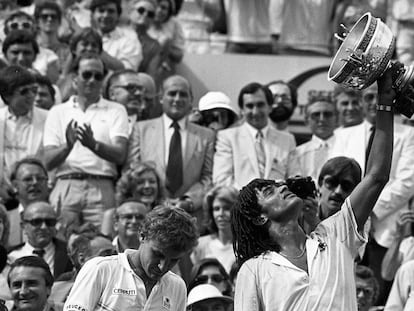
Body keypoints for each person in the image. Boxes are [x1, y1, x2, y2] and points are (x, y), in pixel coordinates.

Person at [232, 66, 395, 310]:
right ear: (259, 217)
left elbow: (376, 176)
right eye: (269, 191)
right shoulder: (254, 269)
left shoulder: (336, 232)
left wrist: (385, 102)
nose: (282, 188)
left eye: (278, 184)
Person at [331, 82, 414, 304]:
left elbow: (407, 181)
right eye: (368, 97)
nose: (372, 102)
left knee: (378, 293)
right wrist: (354, 212)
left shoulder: (408, 134)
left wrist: (369, 210)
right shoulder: (342, 135)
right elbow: (335, 177)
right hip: (347, 224)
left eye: (376, 97)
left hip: (385, 228)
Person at [43, 54, 129, 231]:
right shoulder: (57, 111)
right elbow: (48, 161)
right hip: (66, 184)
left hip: (101, 185)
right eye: (87, 74)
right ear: (75, 78)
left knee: (103, 245)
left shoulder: (116, 110)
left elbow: (120, 154)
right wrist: (68, 146)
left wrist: (93, 145)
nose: (92, 80)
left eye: (98, 76)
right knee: (61, 243)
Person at [64, 205, 199, 311]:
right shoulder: (100, 269)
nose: (162, 266)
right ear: (142, 236)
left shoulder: (177, 286)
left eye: (173, 260)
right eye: (158, 255)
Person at [127, 75, 215, 214]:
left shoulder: (206, 136)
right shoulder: (141, 130)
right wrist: (157, 199)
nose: (177, 99)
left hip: (190, 214)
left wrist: (188, 202)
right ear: (161, 97)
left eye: (183, 94)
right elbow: (132, 170)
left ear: (191, 100)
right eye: (172, 93)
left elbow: (208, 177)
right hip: (151, 211)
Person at [213, 82, 300, 189]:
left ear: (270, 107)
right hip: (240, 203)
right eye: (250, 106)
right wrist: (250, 199)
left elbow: (295, 179)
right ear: (242, 110)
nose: (255, 111)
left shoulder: (287, 140)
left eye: (260, 105)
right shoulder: (227, 137)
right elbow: (221, 180)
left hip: (278, 204)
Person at [0, 66, 48, 231]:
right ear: (7, 95)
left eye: (33, 90)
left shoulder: (48, 118)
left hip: (37, 194)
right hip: (4, 196)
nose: (32, 96)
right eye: (24, 92)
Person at [8, 201, 73, 279]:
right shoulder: (10, 257)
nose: (44, 227)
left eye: (50, 222)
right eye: (36, 222)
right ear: (23, 226)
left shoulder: (70, 252)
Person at [101, 161, 164, 236]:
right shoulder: (111, 215)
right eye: (140, 182)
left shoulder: (165, 216)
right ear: (128, 187)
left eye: (152, 181)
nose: (147, 186)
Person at [2, 11, 60, 83]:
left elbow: (53, 84)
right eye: (14, 25)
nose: (20, 28)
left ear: (33, 29)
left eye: (26, 25)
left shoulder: (49, 55)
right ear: (6, 30)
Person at [191, 186, 237, 272]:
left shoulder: (246, 247)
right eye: (216, 209)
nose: (221, 214)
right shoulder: (200, 245)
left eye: (227, 208)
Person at [7, 157, 50, 248]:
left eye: (40, 179)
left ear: (47, 183)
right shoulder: (6, 220)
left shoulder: (61, 220)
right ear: (15, 185)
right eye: (28, 179)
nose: (35, 183)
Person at [295, 93, 338, 182]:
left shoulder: (348, 148)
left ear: (337, 119)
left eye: (327, 114)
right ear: (307, 121)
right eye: (316, 114)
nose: (322, 119)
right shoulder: (297, 154)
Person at [89, 0, 142, 70]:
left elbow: (128, 70)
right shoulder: (84, 36)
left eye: (110, 11)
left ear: (118, 15)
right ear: (92, 14)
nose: (105, 15)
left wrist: (96, 50)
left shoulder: (130, 40)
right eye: (101, 11)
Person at [106, 70, 157, 134]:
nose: (138, 93)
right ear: (112, 94)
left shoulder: (151, 129)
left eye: (140, 89)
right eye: (131, 88)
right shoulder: (97, 121)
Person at [129, 0, 162, 82]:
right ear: (131, 12)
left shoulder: (154, 46)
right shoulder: (117, 34)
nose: (145, 14)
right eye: (141, 10)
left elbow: (150, 77)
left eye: (150, 14)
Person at [34, 0, 71, 72]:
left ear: (59, 22)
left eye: (53, 17)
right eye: (44, 16)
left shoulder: (67, 52)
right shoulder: (32, 49)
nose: (49, 19)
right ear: (37, 22)